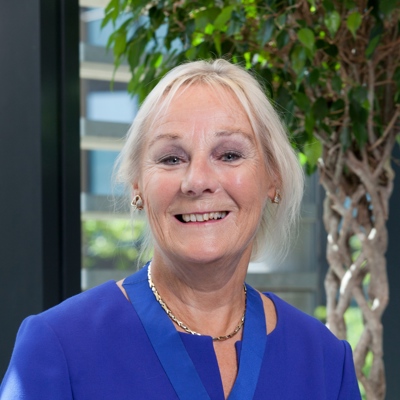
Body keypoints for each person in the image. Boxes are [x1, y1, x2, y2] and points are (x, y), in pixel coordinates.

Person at [0, 59, 361, 399]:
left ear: (273, 177)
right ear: (138, 186)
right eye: (171, 158)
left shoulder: (326, 360)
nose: (197, 181)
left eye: (229, 155)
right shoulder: (58, 345)